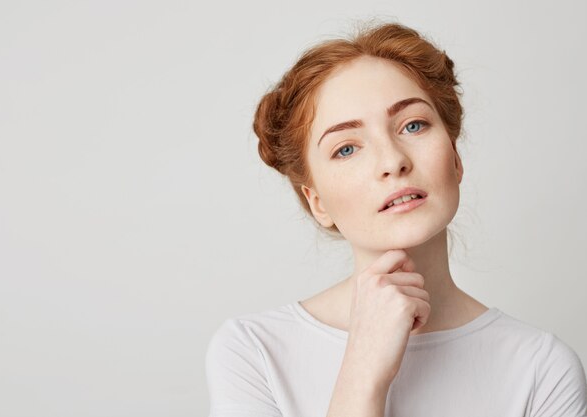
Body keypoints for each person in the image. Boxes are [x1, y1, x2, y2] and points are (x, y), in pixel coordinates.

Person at [204, 21, 587, 417]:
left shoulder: (542, 368)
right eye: (347, 149)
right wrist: (362, 373)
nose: (393, 161)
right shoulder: (254, 353)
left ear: (455, 158)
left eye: (413, 125)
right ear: (317, 202)